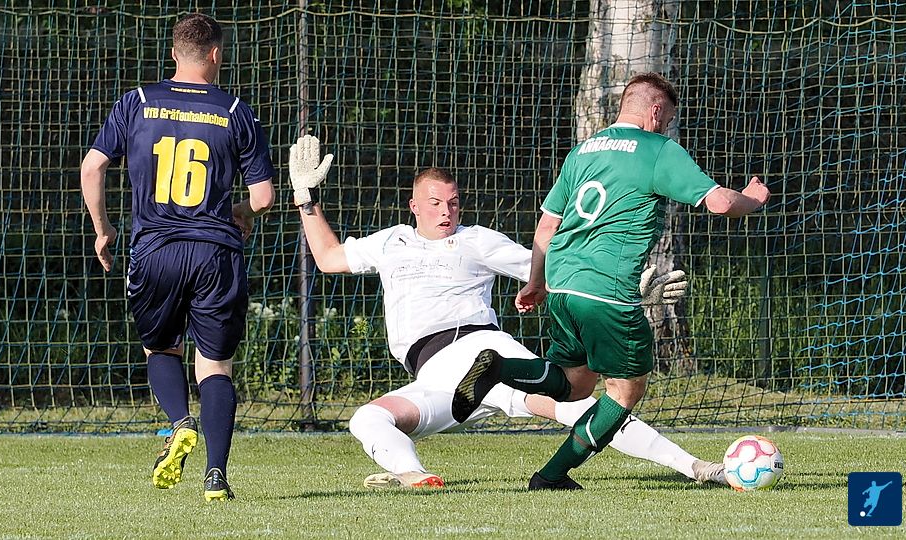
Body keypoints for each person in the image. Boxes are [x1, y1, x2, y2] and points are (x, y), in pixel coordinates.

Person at [287, 136, 726, 489]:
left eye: (453, 202)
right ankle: (415, 476)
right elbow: (327, 258)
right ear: (414, 206)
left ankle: (696, 467)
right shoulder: (390, 242)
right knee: (367, 418)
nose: (446, 211)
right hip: (435, 377)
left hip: (481, 348)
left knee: (580, 406)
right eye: (435, 203)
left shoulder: (476, 239)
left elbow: (553, 269)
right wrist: (306, 199)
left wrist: (630, 289)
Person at [452, 72, 771, 490]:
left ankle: (499, 368)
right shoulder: (657, 150)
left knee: (574, 385)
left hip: (563, 284)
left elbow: (546, 226)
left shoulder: (582, 152)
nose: (665, 128)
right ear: (655, 111)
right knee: (625, 391)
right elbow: (720, 203)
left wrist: (536, 282)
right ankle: (551, 476)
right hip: (607, 290)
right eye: (667, 120)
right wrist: (753, 199)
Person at [80, 13, 276, 501]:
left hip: (155, 249)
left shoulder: (137, 102)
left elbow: (92, 167)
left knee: (161, 350)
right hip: (215, 252)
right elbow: (264, 197)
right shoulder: (235, 110)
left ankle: (179, 421)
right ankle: (216, 476)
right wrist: (236, 210)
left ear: (174, 53)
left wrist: (103, 230)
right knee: (215, 366)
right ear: (216, 54)